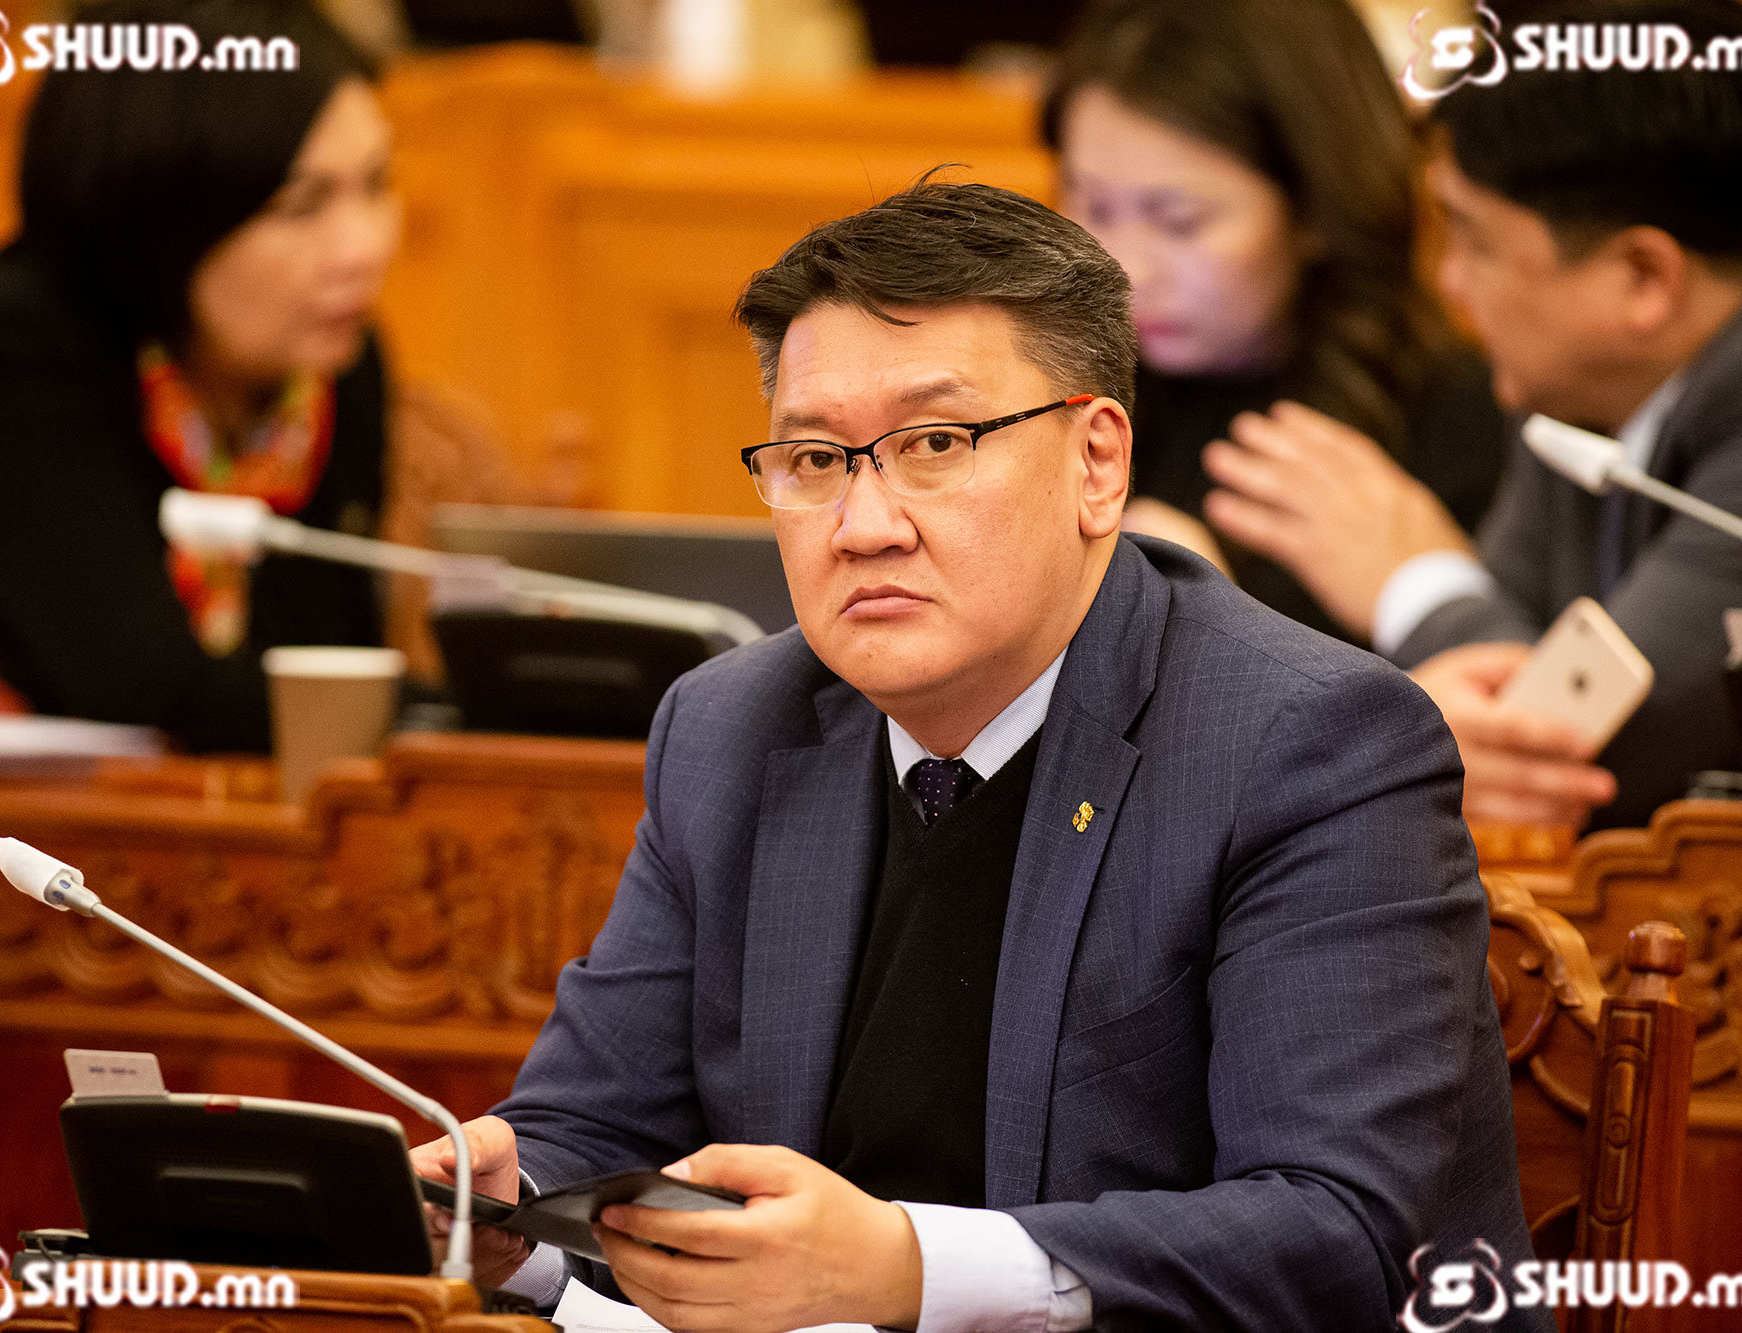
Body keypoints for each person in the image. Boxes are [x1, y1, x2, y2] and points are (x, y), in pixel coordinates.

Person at [412, 181, 1540, 1331]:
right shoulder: (731, 730)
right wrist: (509, 1217)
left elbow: (1333, 1235)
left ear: (1096, 463)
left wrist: (899, 1267)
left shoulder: (1309, 744)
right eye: (813, 459)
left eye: (933, 444)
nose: (864, 525)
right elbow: (595, 1126)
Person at [1197, 0, 1742, 830]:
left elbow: (1580, 749)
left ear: (1644, 278)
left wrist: (1412, 582)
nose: (1449, 283)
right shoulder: (1585, 373)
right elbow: (1516, 685)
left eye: (1475, 241)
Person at [0, 0, 400, 752]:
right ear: (162, 207)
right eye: (301, 204)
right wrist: (445, 711)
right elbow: (155, 690)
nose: (364, 248)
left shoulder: (331, 364)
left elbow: (338, 664)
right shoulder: (19, 349)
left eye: (377, 184)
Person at [1042, 0, 1509, 641]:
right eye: (1093, 206)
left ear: (1315, 208)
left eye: (1180, 222)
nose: (1126, 269)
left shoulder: (1461, 424)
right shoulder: (1051, 387)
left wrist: (1207, 624)